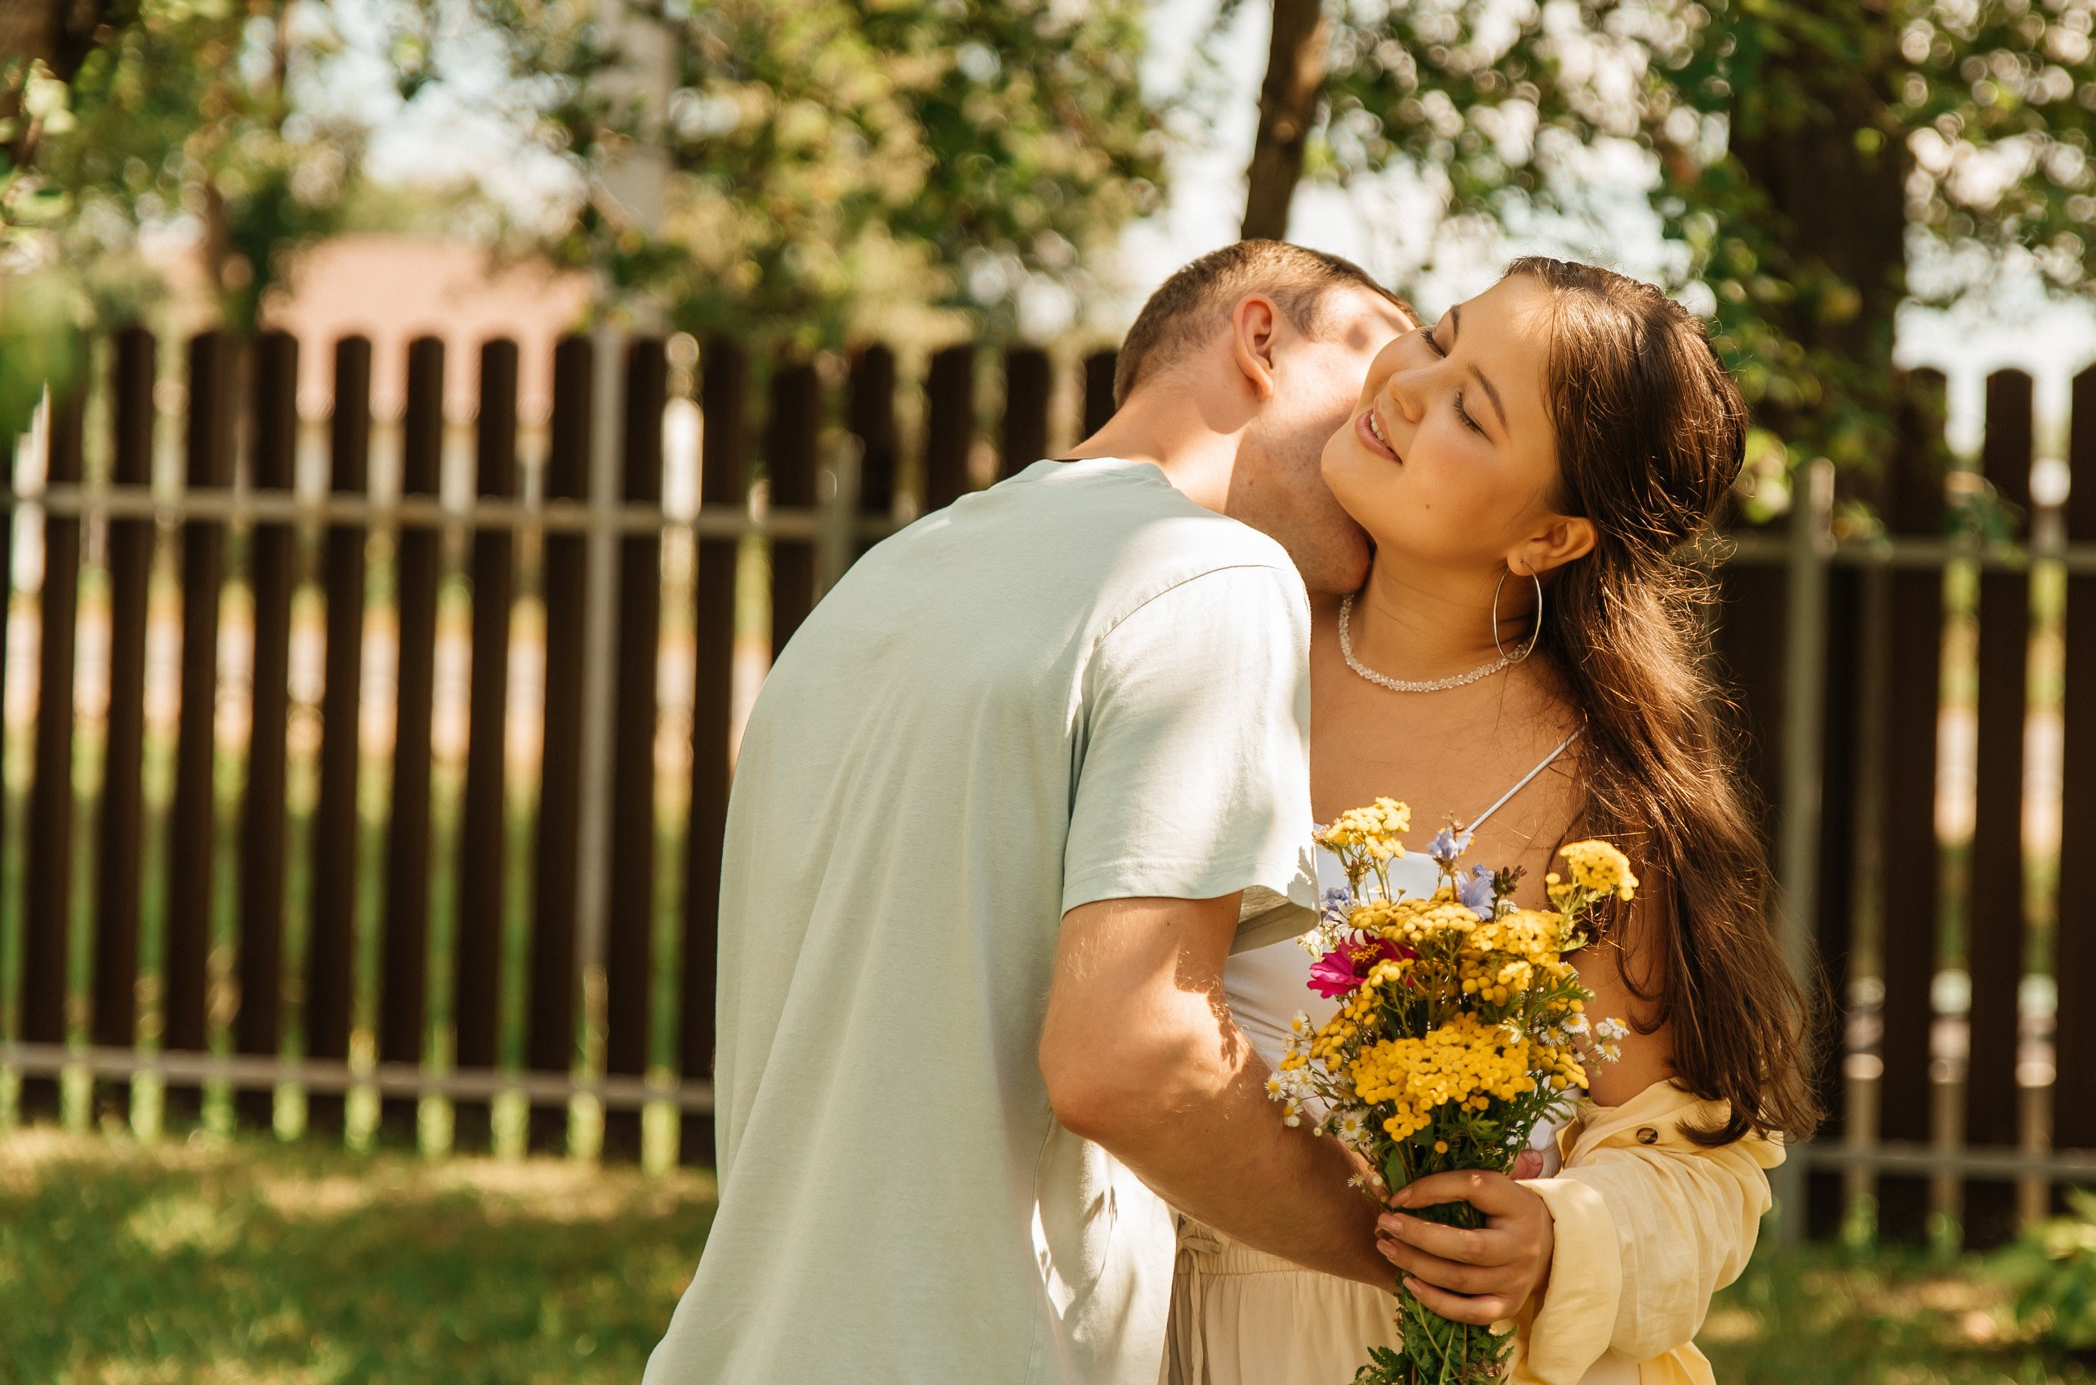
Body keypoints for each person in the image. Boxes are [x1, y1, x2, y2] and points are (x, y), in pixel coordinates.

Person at [642, 240, 1413, 1384]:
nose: (1397, 441)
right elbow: (1133, 1059)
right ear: (1260, 340)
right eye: (1382, 388)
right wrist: (1415, 1249)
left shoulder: (887, 578)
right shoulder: (1212, 573)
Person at [1164, 257, 1821, 1385]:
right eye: (1438, 335)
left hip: (1425, 1349)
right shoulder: (1211, 641)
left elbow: (1693, 1168)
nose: (1408, 384)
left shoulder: (1600, 799)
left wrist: (1559, 1239)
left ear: (1549, 539)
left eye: (1472, 410)